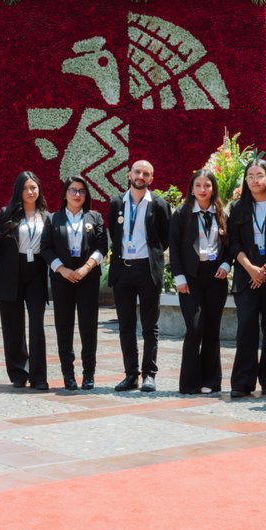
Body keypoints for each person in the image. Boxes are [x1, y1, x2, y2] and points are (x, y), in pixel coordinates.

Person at [106, 160, 172, 392]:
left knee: (149, 325)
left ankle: (149, 375)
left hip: (147, 270)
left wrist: (149, 255)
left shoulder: (160, 205)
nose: (141, 176)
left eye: (146, 173)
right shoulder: (116, 203)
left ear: (151, 179)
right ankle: (130, 374)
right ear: (129, 174)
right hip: (123, 269)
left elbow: (164, 239)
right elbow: (114, 233)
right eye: (137, 172)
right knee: (126, 325)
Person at [227, 158, 266, 397]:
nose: (255, 180)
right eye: (250, 176)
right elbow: (232, 243)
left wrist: (264, 270)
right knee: (246, 329)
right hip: (246, 276)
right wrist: (252, 268)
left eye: (259, 176)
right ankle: (242, 382)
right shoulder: (238, 208)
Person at [41, 175, 108, 391]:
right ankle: (68, 376)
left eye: (81, 190)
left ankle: (89, 375)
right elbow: (46, 248)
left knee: (88, 328)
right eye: (73, 190)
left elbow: (102, 247)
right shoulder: (53, 219)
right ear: (65, 193)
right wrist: (63, 269)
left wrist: (86, 267)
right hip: (62, 280)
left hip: (88, 278)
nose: (77, 194)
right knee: (64, 327)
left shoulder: (95, 217)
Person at [169, 169, 230, 395]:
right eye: (198, 186)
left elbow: (230, 245)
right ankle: (189, 383)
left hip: (216, 276)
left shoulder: (222, 212)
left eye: (207, 185)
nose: (203, 190)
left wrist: (226, 265)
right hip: (190, 278)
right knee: (195, 328)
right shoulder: (182, 213)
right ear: (192, 189)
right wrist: (179, 277)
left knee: (212, 330)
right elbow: (174, 248)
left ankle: (211, 381)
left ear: (213, 188)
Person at [0, 171, 52, 390]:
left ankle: (39, 376)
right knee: (13, 325)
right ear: (19, 190)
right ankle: (18, 372)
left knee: (37, 324)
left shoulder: (46, 216)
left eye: (34, 187)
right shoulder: (6, 214)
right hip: (10, 273)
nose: (30, 192)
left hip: (36, 272)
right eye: (26, 188)